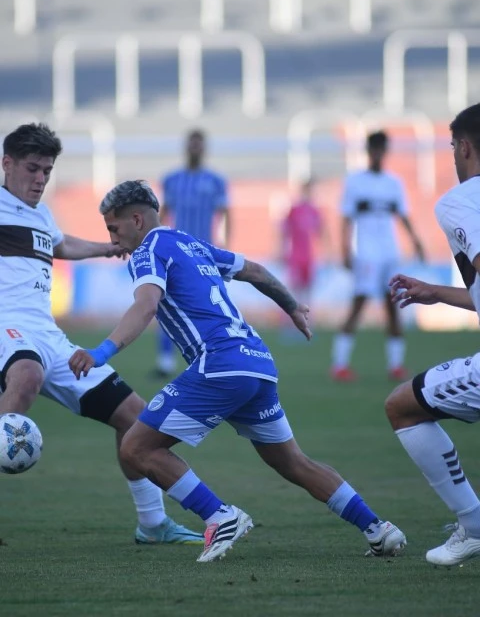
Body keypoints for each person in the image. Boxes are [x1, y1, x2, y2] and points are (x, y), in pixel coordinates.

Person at [69, 179, 407, 564]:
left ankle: (219, 516)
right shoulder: (191, 243)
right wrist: (292, 305)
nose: (113, 240)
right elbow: (257, 272)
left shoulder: (149, 250)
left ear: (136, 220)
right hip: (257, 362)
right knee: (293, 462)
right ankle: (378, 529)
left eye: (114, 229)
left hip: (220, 364)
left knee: (135, 446)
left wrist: (102, 351)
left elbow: (146, 306)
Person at [0, 123, 202, 546]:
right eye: (33, 169)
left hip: (48, 335)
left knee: (134, 416)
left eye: (47, 172)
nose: (40, 179)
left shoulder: (40, 214)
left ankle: (152, 524)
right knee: (26, 377)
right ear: (7, 164)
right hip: (7, 325)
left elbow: (60, 245)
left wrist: (107, 247)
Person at [387, 102, 480, 567]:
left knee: (402, 407)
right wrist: (438, 293)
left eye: (451, 148)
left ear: (464, 147)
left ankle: (474, 524)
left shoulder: (461, 200)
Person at [331, 130, 425, 382]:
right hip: (366, 253)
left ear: (385, 151)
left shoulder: (393, 183)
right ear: (368, 150)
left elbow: (402, 215)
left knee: (393, 305)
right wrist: (345, 251)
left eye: (381, 148)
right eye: (374, 148)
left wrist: (416, 241)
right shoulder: (354, 182)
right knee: (359, 303)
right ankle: (339, 364)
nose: (377, 153)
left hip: (389, 252)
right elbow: (346, 219)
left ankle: (395, 365)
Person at [154, 128, 230, 376]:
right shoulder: (172, 179)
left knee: (206, 305)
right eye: (191, 144)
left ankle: (210, 358)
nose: (195, 148)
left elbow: (226, 215)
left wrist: (224, 247)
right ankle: (165, 361)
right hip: (175, 253)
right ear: (186, 147)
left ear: (204, 148)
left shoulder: (216, 180)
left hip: (204, 253)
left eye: (199, 144)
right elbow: (163, 213)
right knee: (165, 302)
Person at [281, 178, 329, 307]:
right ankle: (290, 323)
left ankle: (307, 320)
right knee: (294, 290)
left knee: (308, 292)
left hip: (310, 257)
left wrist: (327, 252)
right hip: (296, 256)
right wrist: (282, 251)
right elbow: (284, 232)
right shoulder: (294, 210)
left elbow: (321, 232)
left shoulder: (315, 211)